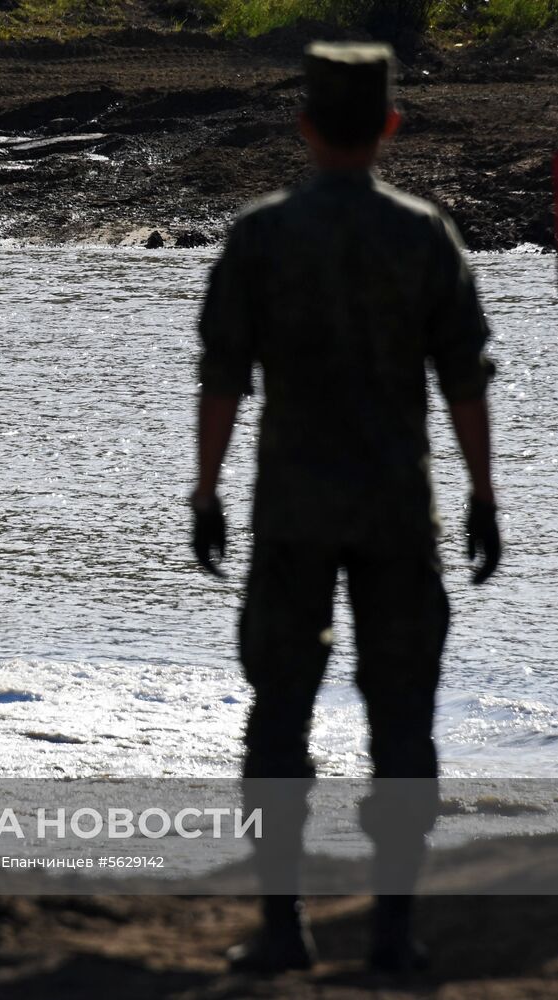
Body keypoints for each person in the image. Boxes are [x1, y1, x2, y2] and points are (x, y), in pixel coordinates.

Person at [190, 41, 500, 974]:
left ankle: (284, 933)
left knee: (277, 717)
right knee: (402, 722)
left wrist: (203, 492)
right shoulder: (421, 235)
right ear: (390, 127)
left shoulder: (260, 235)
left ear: (303, 125)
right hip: (399, 515)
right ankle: (394, 936)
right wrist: (486, 495)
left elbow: (221, 380)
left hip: (290, 515)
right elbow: (464, 382)